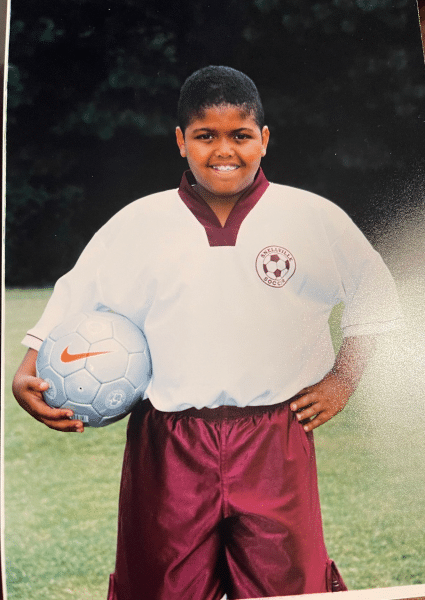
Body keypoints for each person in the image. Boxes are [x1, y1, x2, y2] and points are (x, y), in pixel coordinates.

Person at [12, 66, 403, 600]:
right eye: (205, 136)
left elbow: (375, 290)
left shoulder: (311, 217)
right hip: (169, 443)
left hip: (275, 439)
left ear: (264, 140)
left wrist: (344, 378)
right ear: (181, 142)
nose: (225, 150)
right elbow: (76, 295)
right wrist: (27, 371)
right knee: (160, 590)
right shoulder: (138, 223)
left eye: (240, 135)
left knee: (288, 591)